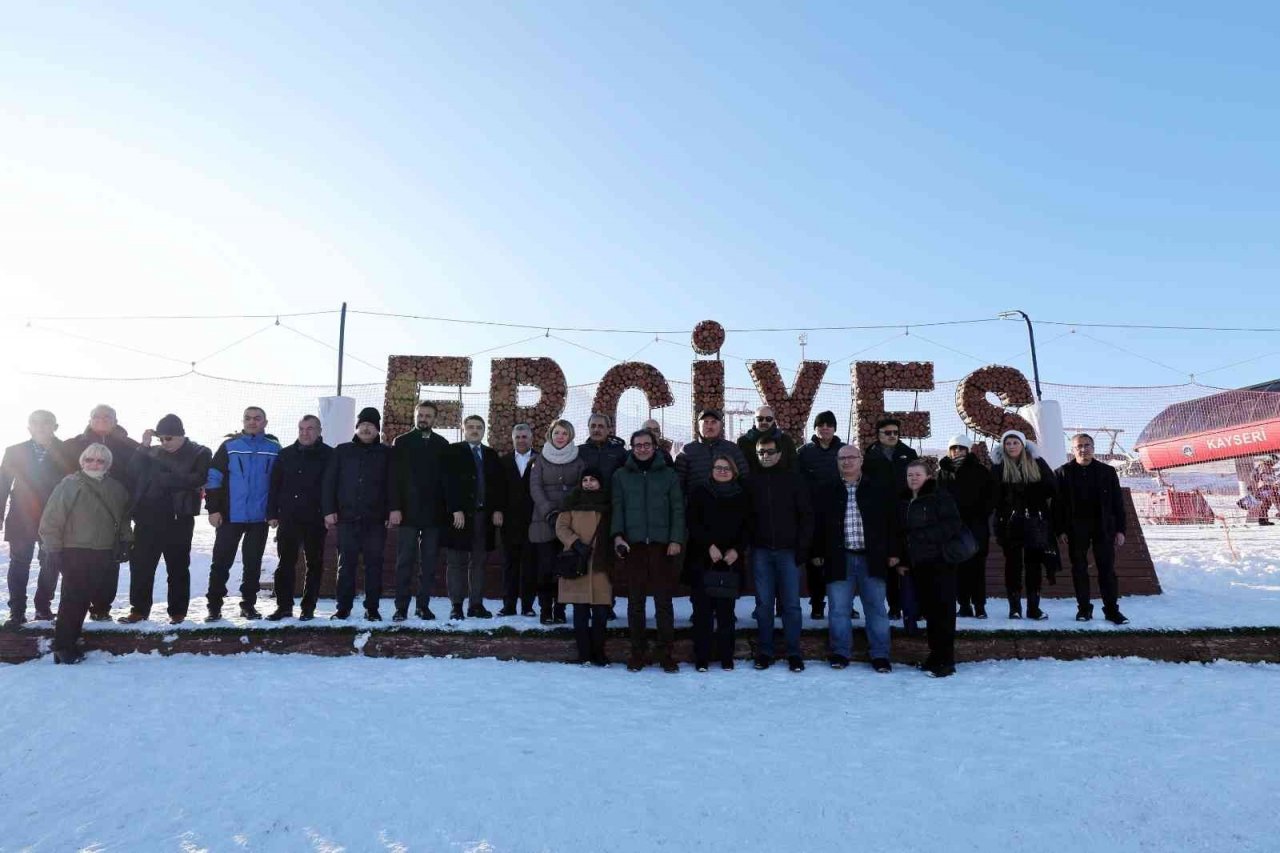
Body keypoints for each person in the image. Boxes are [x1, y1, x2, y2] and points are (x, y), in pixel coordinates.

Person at [38, 443, 132, 664]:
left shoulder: (116, 489)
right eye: (89, 459)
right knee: (73, 599)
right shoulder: (70, 485)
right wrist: (52, 548)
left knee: (89, 597)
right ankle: (63, 646)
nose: (94, 464)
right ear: (82, 461)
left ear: (108, 464)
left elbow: (123, 519)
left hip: (104, 551)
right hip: (75, 550)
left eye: (100, 461)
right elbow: (52, 519)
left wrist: (127, 540)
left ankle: (73, 639)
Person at [120, 414, 211, 625]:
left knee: (178, 566)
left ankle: (178, 612)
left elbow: (198, 478)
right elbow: (132, 472)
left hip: (179, 517)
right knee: (141, 565)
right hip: (147, 517)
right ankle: (139, 610)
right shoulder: (152, 451)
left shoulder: (199, 452)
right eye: (160, 438)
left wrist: (163, 479)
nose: (164, 443)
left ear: (181, 435)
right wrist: (143, 446)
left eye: (168, 438)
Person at [813, 444, 896, 673]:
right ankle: (840, 652)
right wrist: (817, 552)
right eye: (842, 458)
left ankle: (880, 655)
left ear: (861, 460)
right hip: (839, 557)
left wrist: (893, 552)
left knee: (876, 608)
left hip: (872, 557)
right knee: (839, 609)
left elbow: (891, 523)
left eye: (851, 457)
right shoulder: (827, 489)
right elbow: (817, 526)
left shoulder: (877, 488)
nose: (846, 462)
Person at [612, 429, 684, 672]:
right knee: (636, 602)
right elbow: (617, 508)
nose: (642, 448)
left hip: (662, 546)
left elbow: (678, 509)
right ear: (632, 448)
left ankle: (666, 653)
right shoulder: (621, 475)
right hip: (634, 546)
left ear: (655, 446)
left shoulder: (669, 475)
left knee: (664, 602)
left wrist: (675, 539)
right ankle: (638, 652)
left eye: (646, 444)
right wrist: (618, 536)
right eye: (637, 445)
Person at [62, 404, 139, 620]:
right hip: (81, 512)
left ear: (115, 420)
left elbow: (139, 473)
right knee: (79, 563)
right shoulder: (74, 445)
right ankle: (74, 610)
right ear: (89, 419)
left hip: (116, 509)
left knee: (109, 560)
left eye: (107, 416)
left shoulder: (129, 446)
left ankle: (102, 607)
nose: (102, 420)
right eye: (97, 416)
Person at [204, 406, 280, 621]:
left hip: (259, 517)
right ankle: (214, 605)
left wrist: (274, 512)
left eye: (257, 418)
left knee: (253, 563)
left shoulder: (274, 448)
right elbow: (213, 478)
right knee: (221, 562)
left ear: (265, 422)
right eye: (248, 418)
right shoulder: (230, 446)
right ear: (243, 421)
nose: (252, 422)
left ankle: (248, 604)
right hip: (230, 516)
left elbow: (279, 482)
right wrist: (214, 509)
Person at [323, 407, 400, 620]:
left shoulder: (386, 453)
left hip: (375, 520)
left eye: (371, 425)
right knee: (346, 565)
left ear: (377, 429)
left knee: (374, 565)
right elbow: (330, 482)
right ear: (357, 428)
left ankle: (372, 609)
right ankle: (343, 608)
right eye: (363, 425)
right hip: (347, 518)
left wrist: (394, 509)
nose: (366, 428)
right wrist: (329, 510)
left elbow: (392, 483)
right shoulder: (342, 450)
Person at [746, 434, 813, 672]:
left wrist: (802, 548)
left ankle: (794, 652)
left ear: (779, 453)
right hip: (761, 551)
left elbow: (806, 516)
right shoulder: (751, 481)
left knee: (791, 605)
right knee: (763, 605)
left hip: (788, 552)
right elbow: (746, 517)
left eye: (770, 452)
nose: (766, 456)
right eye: (761, 453)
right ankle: (765, 651)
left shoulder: (794, 480)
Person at [1, 410, 72, 626]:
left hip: (54, 518)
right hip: (20, 518)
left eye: (46, 423)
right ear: (29, 427)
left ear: (55, 427)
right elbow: (2, 485)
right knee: (19, 563)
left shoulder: (67, 451)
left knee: (50, 562)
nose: (41, 427)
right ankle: (17, 612)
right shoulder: (14, 451)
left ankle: (43, 608)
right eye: (36, 423)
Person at [897, 460, 964, 677]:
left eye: (917, 474)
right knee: (930, 613)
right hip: (919, 564)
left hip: (940, 562)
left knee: (943, 613)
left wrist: (924, 536)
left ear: (928, 476)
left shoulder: (938, 496)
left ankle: (946, 660)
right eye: (910, 475)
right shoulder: (906, 500)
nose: (913, 478)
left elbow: (953, 524)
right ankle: (935, 655)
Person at [684, 455, 750, 672]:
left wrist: (736, 550)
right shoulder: (700, 492)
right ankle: (701, 657)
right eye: (718, 468)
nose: (722, 471)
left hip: (729, 562)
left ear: (734, 472)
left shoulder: (741, 495)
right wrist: (707, 546)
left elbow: (747, 527)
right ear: (711, 470)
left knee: (726, 613)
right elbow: (692, 522)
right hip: (703, 559)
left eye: (726, 468)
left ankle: (726, 656)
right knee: (702, 612)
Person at [1055, 433, 1130, 625]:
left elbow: (1117, 504)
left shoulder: (1107, 472)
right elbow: (1057, 505)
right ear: (1073, 450)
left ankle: (1112, 611)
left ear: (1093, 448)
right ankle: (1084, 610)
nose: (1083, 449)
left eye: (1087, 445)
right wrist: (1060, 530)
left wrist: (1120, 530)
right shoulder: (1063, 473)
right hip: (1076, 529)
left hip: (1103, 528)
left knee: (1107, 570)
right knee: (1079, 569)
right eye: (1079, 446)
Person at [266, 414, 332, 621]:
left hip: (316, 518)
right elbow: (274, 486)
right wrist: (272, 513)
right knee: (285, 563)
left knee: (314, 564)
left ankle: (308, 607)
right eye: (302, 429)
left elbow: (333, 487)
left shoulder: (330, 455)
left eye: (310, 428)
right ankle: (283, 606)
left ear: (319, 431)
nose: (305, 433)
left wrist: (330, 513)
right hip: (289, 517)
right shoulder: (285, 454)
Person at [443, 415, 506, 620]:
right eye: (470, 427)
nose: (475, 430)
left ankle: (476, 604)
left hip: (483, 517)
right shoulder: (453, 451)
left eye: (479, 427)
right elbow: (446, 483)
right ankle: (457, 605)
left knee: (479, 563)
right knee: (456, 562)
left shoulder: (490, 454)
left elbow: (498, 486)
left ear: (484, 430)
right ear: (464, 429)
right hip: (459, 517)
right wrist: (455, 509)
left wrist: (497, 509)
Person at [392, 401, 451, 621]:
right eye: (421, 415)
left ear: (435, 419)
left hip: (433, 515)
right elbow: (395, 479)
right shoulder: (402, 442)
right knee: (404, 561)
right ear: (415, 416)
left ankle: (423, 606)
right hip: (407, 513)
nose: (423, 418)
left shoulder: (442, 444)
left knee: (428, 563)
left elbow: (446, 481)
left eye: (428, 416)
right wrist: (395, 508)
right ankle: (401, 608)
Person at [991, 430, 1057, 621]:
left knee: (1034, 566)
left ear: (1023, 445)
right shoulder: (998, 466)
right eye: (1008, 443)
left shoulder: (1037, 463)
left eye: (1015, 442)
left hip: (1035, 523)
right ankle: (1014, 608)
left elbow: (1051, 487)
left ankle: (1033, 608)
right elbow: (994, 495)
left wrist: (1033, 492)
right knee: (1012, 567)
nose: (1011, 446)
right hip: (1010, 525)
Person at [861, 417, 919, 625]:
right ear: (879, 434)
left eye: (895, 432)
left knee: (907, 560)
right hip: (880, 515)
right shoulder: (870, 456)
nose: (892, 435)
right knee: (887, 562)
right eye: (887, 432)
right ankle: (894, 606)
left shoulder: (909, 454)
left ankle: (913, 607)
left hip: (905, 512)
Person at [555, 468, 614, 665]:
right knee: (579, 612)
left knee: (600, 613)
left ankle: (599, 653)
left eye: (593, 480)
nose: (588, 483)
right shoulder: (572, 501)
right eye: (585, 480)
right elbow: (561, 527)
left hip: (600, 563)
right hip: (577, 562)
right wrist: (575, 542)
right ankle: (583, 653)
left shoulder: (608, 503)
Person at [529, 419, 584, 624]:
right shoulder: (540, 460)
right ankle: (545, 610)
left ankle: (560, 609)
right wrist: (549, 512)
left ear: (570, 436)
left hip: (569, 523)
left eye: (564, 433)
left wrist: (567, 512)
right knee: (545, 568)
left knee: (565, 567)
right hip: (544, 522)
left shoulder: (578, 460)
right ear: (550, 436)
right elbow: (535, 488)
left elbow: (581, 487)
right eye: (557, 433)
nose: (560, 437)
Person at [937, 434, 995, 619]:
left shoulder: (980, 471)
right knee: (958, 568)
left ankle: (979, 605)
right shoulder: (943, 472)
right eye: (954, 448)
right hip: (953, 529)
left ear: (968, 450)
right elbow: (939, 499)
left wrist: (978, 514)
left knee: (977, 568)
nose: (957, 451)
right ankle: (963, 605)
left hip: (975, 527)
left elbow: (990, 498)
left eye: (961, 448)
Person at [795, 410, 846, 620]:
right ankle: (817, 604)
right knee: (815, 561)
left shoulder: (844, 450)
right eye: (821, 424)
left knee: (839, 560)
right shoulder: (804, 452)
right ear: (815, 428)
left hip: (839, 513)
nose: (825, 428)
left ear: (834, 428)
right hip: (812, 513)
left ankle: (845, 604)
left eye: (829, 424)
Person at [497, 423, 538, 617]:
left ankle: (528, 606)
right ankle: (509, 605)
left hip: (534, 522)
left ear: (531, 439)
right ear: (512, 439)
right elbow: (496, 490)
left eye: (525, 437)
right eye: (518, 437)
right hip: (509, 523)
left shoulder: (541, 459)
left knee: (530, 565)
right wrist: (497, 510)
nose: (521, 440)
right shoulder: (503, 461)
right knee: (509, 565)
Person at [674, 408, 750, 498]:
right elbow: (678, 484)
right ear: (698, 426)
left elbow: (745, 478)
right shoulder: (687, 451)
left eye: (713, 422)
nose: (709, 426)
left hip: (729, 504)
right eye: (705, 422)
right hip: (697, 507)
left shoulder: (732, 449)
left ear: (720, 426)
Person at [736, 405, 795, 475]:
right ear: (754, 420)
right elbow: (740, 468)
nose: (764, 422)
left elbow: (793, 465)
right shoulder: (743, 442)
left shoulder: (785, 440)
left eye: (768, 419)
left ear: (773, 420)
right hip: (752, 483)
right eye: (760, 419)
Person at [578, 413, 629, 486]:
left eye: (601, 426)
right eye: (593, 426)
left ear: (608, 429)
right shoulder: (580, 451)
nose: (596, 429)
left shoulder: (619, 452)